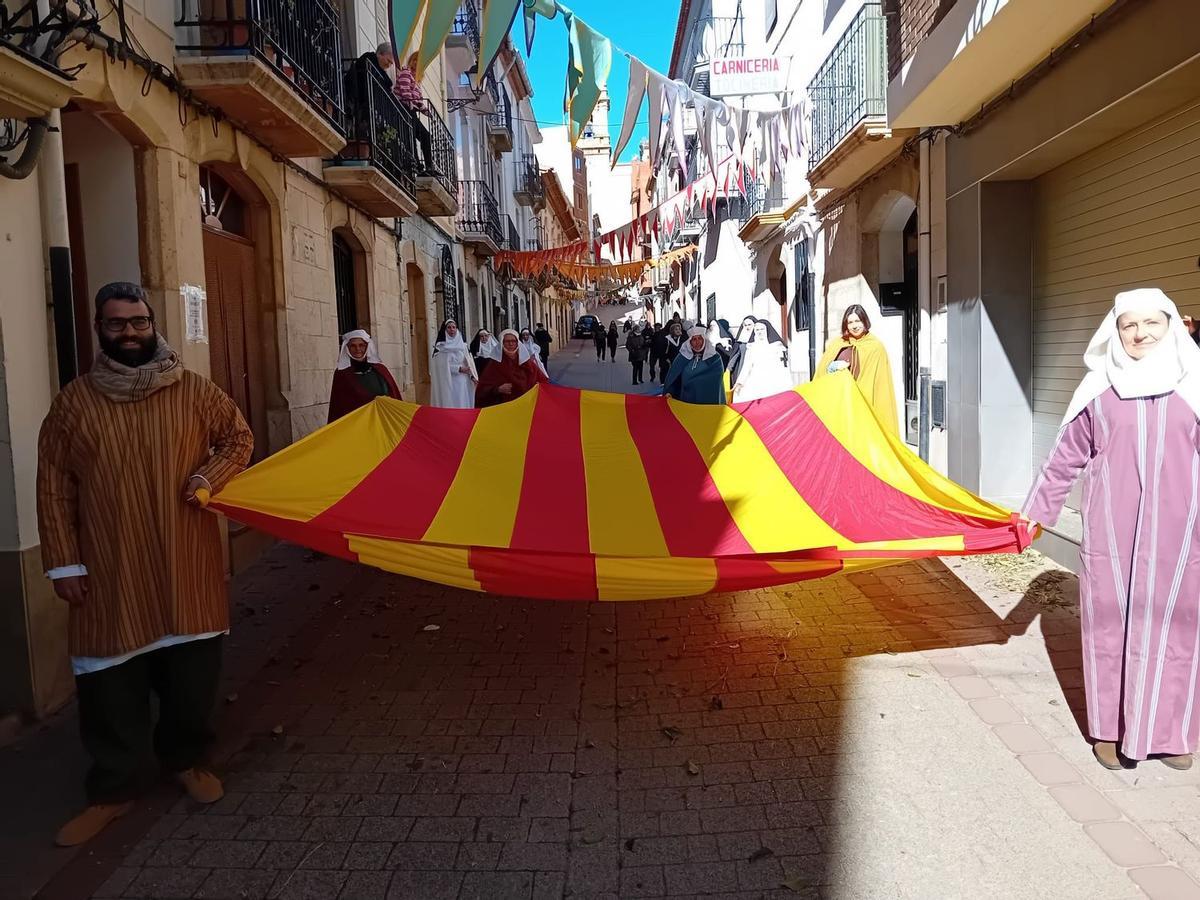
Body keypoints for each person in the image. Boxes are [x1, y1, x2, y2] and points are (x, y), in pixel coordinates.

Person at [36, 282, 254, 847]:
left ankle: (188, 760)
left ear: (153, 324)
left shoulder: (194, 390)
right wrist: (63, 563)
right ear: (99, 329)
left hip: (185, 556)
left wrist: (208, 477)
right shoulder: (74, 403)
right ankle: (115, 788)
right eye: (117, 324)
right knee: (110, 684)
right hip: (109, 564)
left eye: (138, 322)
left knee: (191, 677)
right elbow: (54, 486)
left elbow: (238, 439)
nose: (129, 332)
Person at [1024, 288, 1200, 772]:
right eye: (1129, 325)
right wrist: (1035, 514)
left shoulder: (1194, 385)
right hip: (1111, 534)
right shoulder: (1098, 390)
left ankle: (1171, 733)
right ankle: (1109, 730)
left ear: (1170, 326)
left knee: (1177, 628)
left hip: (1181, 534)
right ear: (1115, 332)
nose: (1140, 333)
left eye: (1151, 323)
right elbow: (1064, 459)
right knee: (1109, 627)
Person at [815, 304, 899, 435]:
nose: (854, 326)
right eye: (850, 322)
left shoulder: (875, 347)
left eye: (857, 321)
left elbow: (878, 385)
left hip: (861, 406)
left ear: (865, 321)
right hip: (838, 406)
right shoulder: (838, 343)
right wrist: (832, 368)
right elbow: (822, 373)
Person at [328, 329, 402, 422]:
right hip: (358, 423)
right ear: (347, 348)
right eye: (353, 346)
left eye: (361, 345)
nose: (358, 349)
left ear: (367, 346)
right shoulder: (342, 374)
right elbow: (338, 406)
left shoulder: (381, 369)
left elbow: (394, 396)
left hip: (384, 419)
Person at [476, 328, 548, 407]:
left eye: (513, 341)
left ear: (517, 343)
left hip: (525, 404)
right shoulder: (494, 364)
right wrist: (497, 389)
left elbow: (542, 381)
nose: (511, 344)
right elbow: (482, 389)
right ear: (502, 343)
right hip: (503, 406)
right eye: (507, 341)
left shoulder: (526, 362)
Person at [661, 325, 726, 405]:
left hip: (709, 402)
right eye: (694, 339)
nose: (697, 342)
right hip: (687, 401)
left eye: (700, 339)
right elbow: (674, 378)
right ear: (690, 342)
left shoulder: (714, 358)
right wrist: (670, 391)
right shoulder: (682, 357)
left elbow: (717, 380)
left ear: (704, 340)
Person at [732, 320, 792, 402]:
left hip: (774, 379)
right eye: (757, 330)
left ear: (767, 330)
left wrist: (786, 383)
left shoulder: (777, 346)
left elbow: (784, 366)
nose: (760, 332)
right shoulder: (751, 347)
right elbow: (747, 365)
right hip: (755, 379)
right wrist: (740, 382)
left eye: (762, 329)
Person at [393, 52, 433, 171]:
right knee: (411, 134)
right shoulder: (406, 72)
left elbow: (418, 101)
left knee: (425, 135)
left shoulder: (417, 81)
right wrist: (411, 104)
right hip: (404, 108)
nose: (417, 63)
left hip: (411, 110)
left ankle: (429, 166)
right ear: (412, 61)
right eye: (416, 60)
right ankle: (416, 163)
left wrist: (426, 112)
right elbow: (405, 91)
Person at [430, 319, 478, 409]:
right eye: (449, 327)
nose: (452, 330)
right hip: (448, 381)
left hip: (463, 381)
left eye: (454, 327)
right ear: (445, 330)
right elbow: (441, 366)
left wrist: (472, 375)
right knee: (451, 403)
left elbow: (469, 362)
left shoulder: (463, 346)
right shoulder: (440, 348)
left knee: (462, 403)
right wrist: (458, 369)